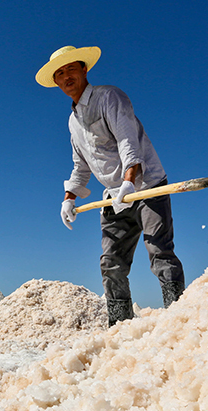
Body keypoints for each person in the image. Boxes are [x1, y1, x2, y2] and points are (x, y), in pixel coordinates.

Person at [36, 45, 186, 326]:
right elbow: (80, 166)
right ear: (56, 82)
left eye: (71, 68)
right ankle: (120, 327)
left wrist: (130, 182)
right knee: (111, 263)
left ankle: (180, 321)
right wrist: (69, 197)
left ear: (84, 69)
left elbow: (129, 141)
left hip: (146, 185)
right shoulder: (72, 122)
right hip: (113, 198)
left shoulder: (110, 97)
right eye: (59, 73)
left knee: (160, 252)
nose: (66, 76)